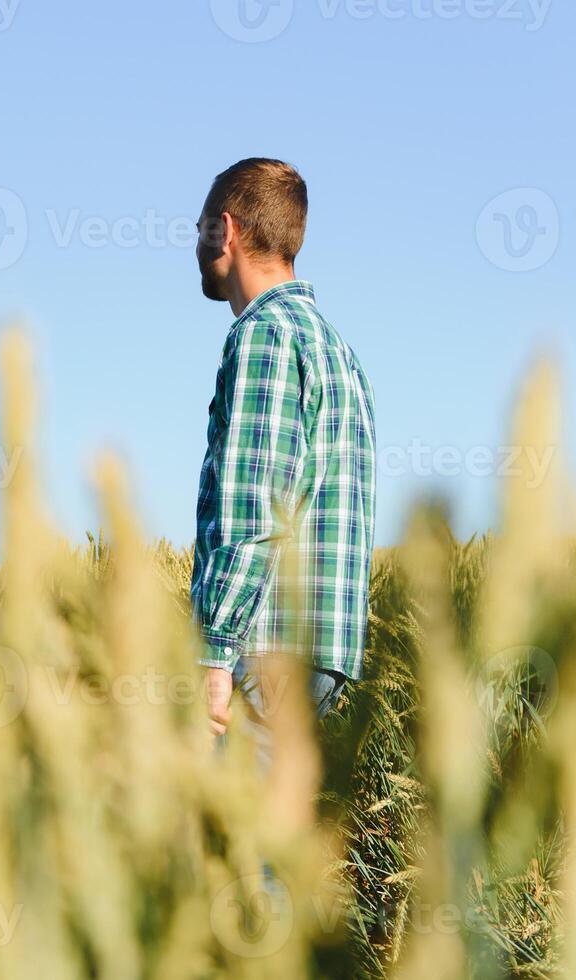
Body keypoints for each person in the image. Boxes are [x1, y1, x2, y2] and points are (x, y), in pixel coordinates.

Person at [190, 158, 376, 741]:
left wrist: (216, 652)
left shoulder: (264, 335)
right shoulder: (334, 346)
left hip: (264, 647)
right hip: (318, 651)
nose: (196, 244)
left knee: (216, 831)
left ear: (227, 229)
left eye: (199, 229)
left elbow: (254, 505)